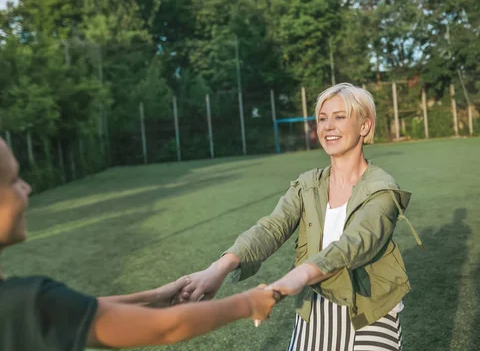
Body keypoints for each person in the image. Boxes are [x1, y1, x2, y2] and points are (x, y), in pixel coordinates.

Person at [177, 83, 423, 350]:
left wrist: (286, 283)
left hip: (369, 311)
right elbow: (271, 228)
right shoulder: (308, 184)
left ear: (364, 126)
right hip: (313, 310)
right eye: (322, 118)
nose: (328, 126)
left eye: (339, 117)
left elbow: (352, 246)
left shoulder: (382, 188)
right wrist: (219, 268)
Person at [0, 138, 279, 350]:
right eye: (13, 180)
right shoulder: (27, 300)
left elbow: (78, 310)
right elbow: (165, 329)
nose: (27, 188)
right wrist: (246, 303)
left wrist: (156, 297)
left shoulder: (22, 301)